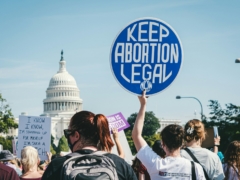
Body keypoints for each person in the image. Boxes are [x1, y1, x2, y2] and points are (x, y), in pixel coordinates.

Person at [132, 90, 205, 179]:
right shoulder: (196, 168)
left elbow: (136, 136)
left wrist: (143, 105)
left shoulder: (156, 164)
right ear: (182, 143)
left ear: (162, 143)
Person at [42, 111, 137, 180]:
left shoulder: (57, 165)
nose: (67, 137)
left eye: (68, 133)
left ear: (76, 135)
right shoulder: (119, 164)